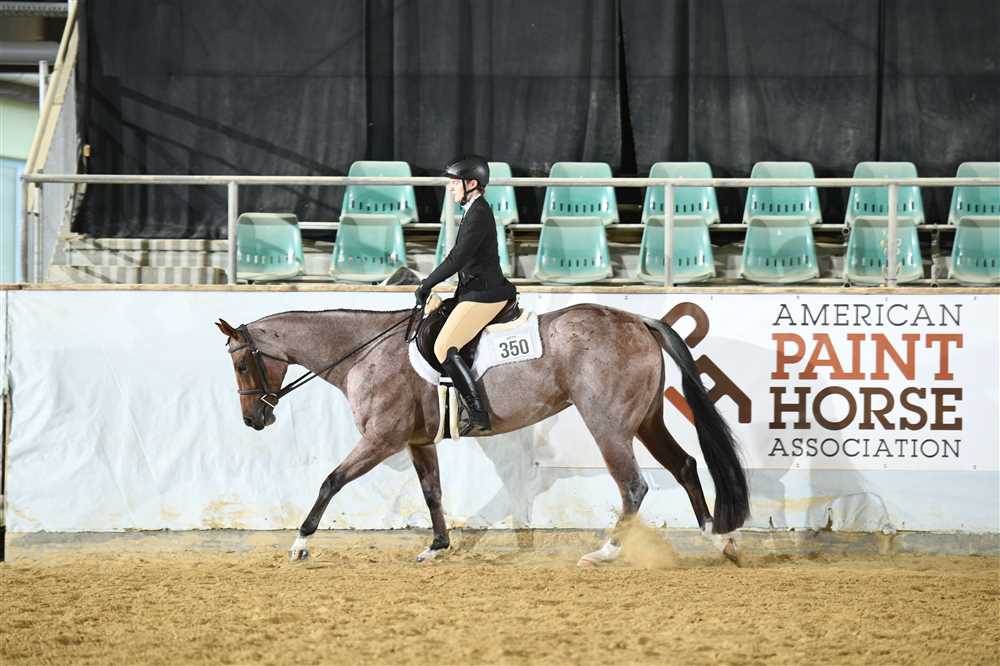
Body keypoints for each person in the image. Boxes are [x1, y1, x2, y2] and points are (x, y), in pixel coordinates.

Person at [415, 155, 517, 434]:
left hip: (486, 294)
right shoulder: (473, 209)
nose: (450, 187)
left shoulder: (479, 213)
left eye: (454, 182)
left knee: (443, 347)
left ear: (471, 183)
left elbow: (456, 258)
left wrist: (427, 284)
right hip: (472, 290)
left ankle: (477, 413)